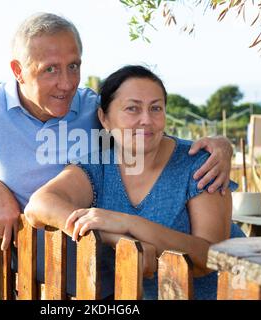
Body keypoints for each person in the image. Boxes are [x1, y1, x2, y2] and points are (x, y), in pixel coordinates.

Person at [0, 13, 235, 297]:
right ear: (18, 70)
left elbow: (142, 131)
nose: (66, 82)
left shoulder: (92, 107)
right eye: (50, 69)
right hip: (48, 272)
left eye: (73, 66)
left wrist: (220, 145)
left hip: (112, 279)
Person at [24, 65, 245, 300]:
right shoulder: (97, 166)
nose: (146, 120)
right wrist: (112, 236)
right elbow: (39, 205)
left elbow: (212, 257)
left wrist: (128, 223)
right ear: (104, 118)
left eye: (156, 108)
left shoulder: (200, 164)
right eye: (132, 108)